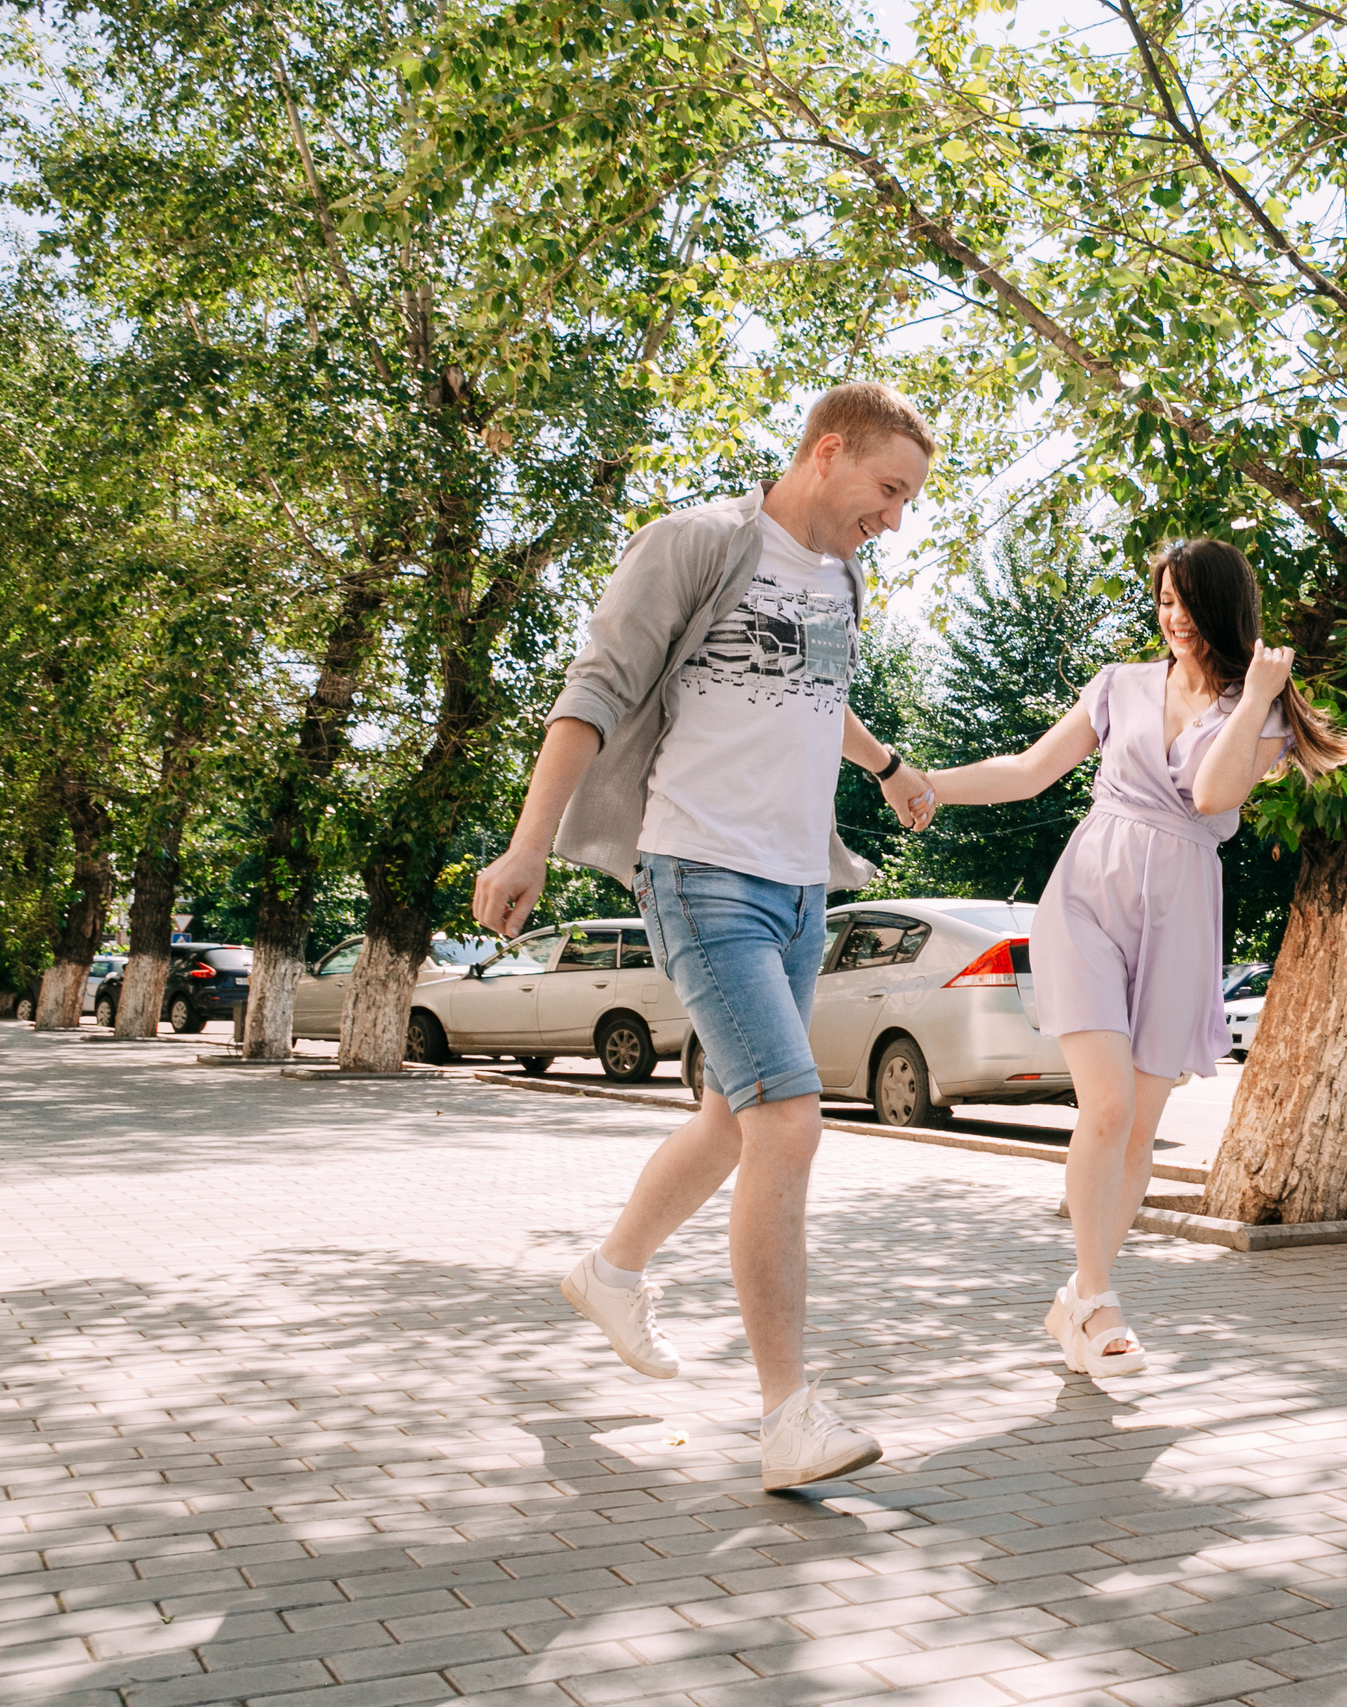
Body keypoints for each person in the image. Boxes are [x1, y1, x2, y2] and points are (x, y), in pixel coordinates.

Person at [469, 383, 940, 1491]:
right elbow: (595, 690)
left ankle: (612, 1271)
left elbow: (812, 697)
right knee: (787, 1116)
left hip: (795, 888)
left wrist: (884, 764)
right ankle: (788, 1417)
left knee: (733, 1118)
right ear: (826, 453)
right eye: (888, 490)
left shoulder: (839, 577)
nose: (895, 519)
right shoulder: (694, 544)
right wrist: (526, 845)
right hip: (698, 868)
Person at [922, 539, 1347, 1375]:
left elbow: (1209, 796)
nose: (1171, 618)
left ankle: (1083, 1298)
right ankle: (1097, 1302)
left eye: (1186, 603)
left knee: (1137, 1133)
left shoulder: (1262, 712)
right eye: (1162, 600)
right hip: (1091, 894)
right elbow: (1027, 770)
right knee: (1106, 1106)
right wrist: (928, 782)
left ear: (1223, 609)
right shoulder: (1119, 685)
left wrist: (1261, 694)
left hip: (1180, 914)